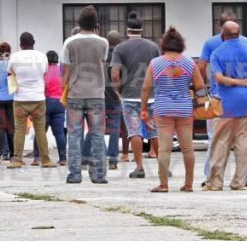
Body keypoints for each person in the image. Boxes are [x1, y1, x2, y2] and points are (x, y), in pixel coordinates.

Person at [141, 27, 205, 193]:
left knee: (164, 148)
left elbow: (146, 88)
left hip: (163, 108)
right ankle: (189, 183)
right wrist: (202, 105)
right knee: (187, 147)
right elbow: (200, 87)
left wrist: (143, 109)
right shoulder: (190, 63)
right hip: (184, 108)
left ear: (164, 45)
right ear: (181, 45)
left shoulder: (155, 63)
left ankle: (163, 184)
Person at [204, 22, 247, 191]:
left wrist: (239, 82)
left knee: (220, 143)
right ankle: (239, 182)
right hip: (246, 103)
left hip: (225, 104)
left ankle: (215, 183)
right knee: (244, 144)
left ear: (222, 35)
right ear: (239, 34)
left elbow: (220, 79)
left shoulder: (217, 53)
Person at [62, 5, 110, 184]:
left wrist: (62, 91)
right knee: (97, 134)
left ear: (79, 23)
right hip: (97, 93)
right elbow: (102, 64)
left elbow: (66, 70)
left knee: (74, 135)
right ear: (95, 24)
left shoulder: (69, 42)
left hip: (75, 93)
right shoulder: (103, 42)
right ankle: (98, 175)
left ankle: (74, 174)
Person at [111, 14, 161, 178]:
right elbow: (159, 71)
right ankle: (163, 167)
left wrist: (119, 90)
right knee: (154, 131)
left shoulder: (120, 48)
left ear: (127, 30)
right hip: (152, 96)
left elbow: (115, 74)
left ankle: (139, 167)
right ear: (142, 28)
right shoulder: (153, 47)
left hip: (130, 96)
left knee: (134, 131)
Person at [7, 32, 55, 168]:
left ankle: (17, 160)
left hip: (20, 98)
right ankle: (45, 160)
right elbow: (44, 72)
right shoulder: (42, 56)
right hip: (38, 98)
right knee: (40, 129)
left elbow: (10, 72)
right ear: (33, 43)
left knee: (19, 129)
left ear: (20, 44)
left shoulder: (14, 57)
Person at [86, 30, 123, 170]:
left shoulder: (100, 55)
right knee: (115, 128)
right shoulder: (119, 56)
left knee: (95, 127)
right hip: (114, 97)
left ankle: (87, 156)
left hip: (99, 95)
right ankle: (112, 159)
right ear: (119, 42)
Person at [41, 50, 68, 165]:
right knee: (59, 132)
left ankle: (37, 158)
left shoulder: (44, 72)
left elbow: (42, 87)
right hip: (60, 103)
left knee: (41, 130)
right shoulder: (62, 71)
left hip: (46, 102)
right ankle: (63, 158)